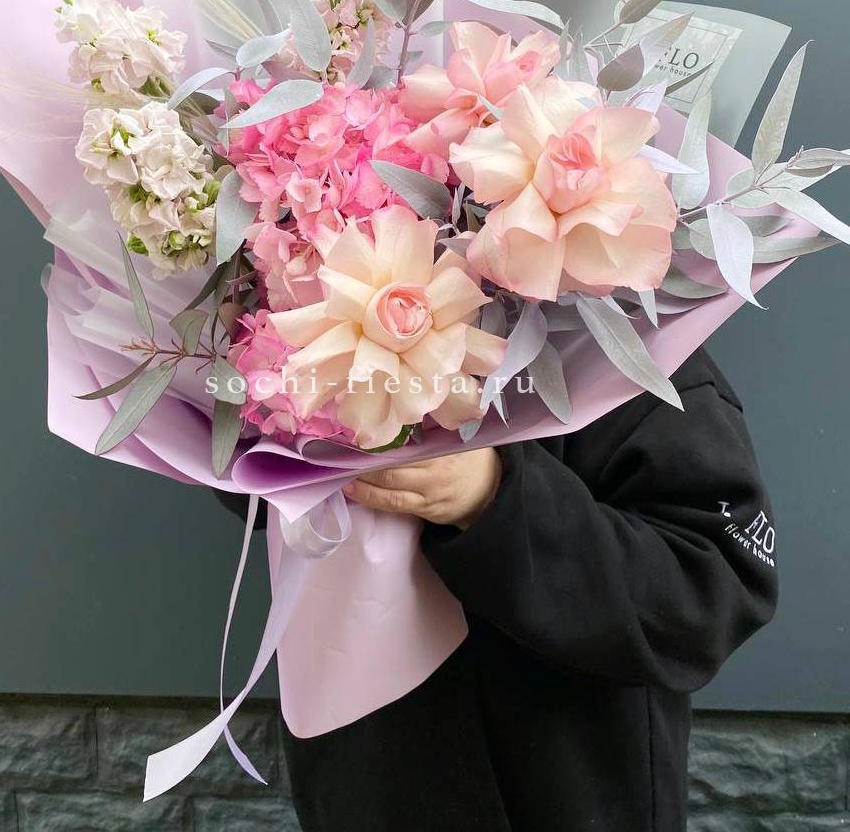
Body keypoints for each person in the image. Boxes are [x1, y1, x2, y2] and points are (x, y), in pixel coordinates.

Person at [216, 348, 777, 831]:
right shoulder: (299, 309)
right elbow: (251, 493)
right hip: (363, 780)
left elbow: (710, 589)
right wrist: (270, 420)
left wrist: (491, 495)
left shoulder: (634, 349)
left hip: (565, 795)